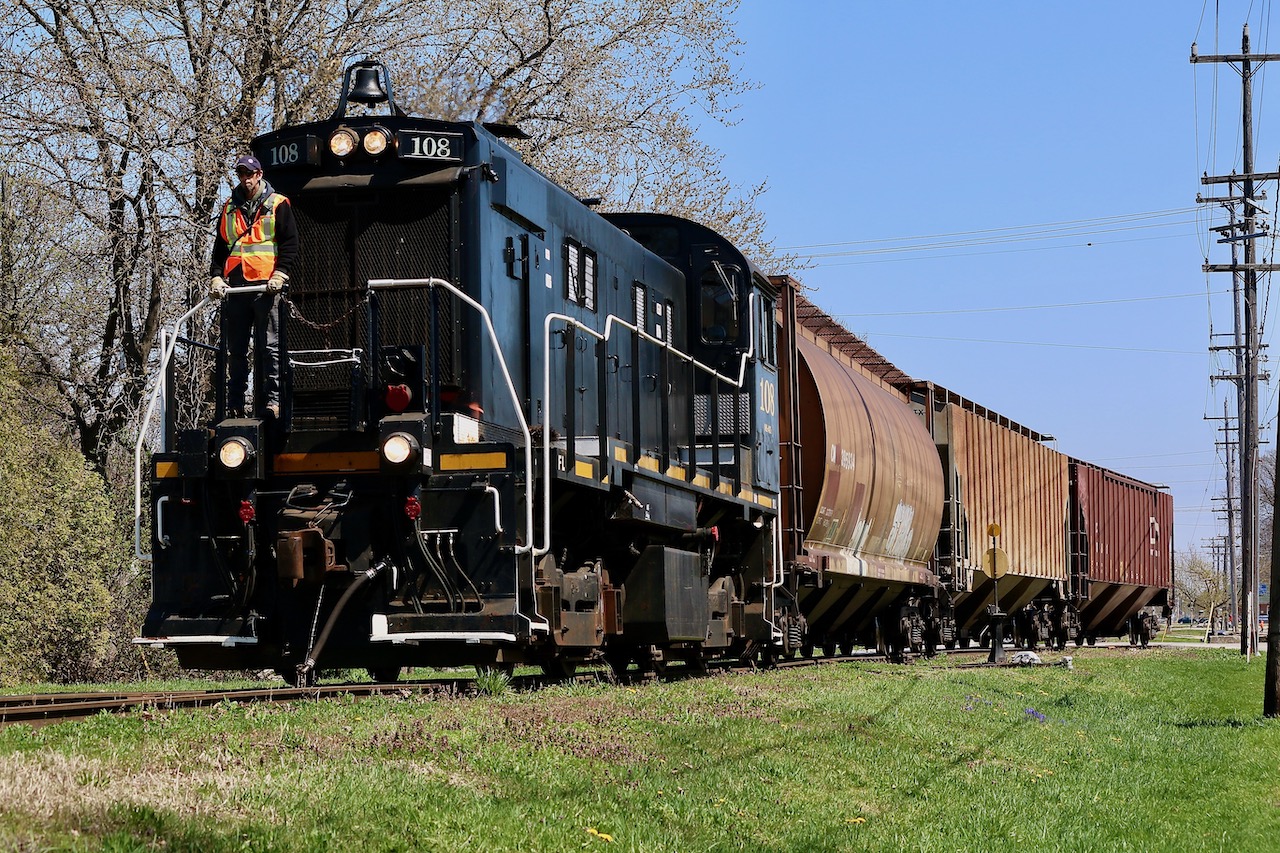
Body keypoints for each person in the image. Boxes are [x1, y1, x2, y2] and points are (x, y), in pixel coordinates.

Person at [208, 154, 299, 418]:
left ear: (259, 174)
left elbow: (290, 242)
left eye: (250, 174)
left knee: (270, 347)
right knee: (235, 350)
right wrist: (216, 276)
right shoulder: (228, 208)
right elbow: (219, 249)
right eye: (241, 174)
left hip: (266, 288)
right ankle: (235, 403)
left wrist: (280, 274)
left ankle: (273, 402)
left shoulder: (278, 204)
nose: (246, 179)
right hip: (237, 289)